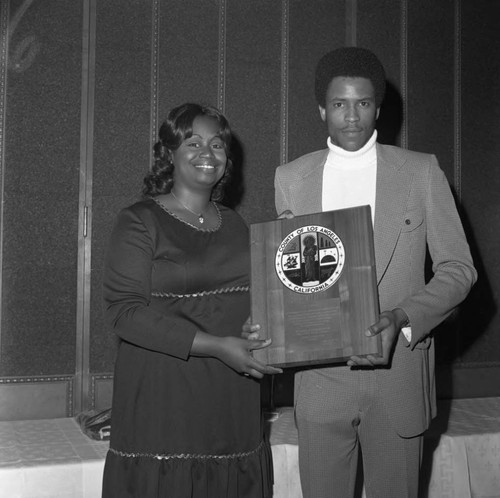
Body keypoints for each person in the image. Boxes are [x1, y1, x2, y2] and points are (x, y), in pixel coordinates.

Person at [273, 47, 477, 498]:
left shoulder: (421, 172)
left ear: (379, 108)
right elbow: (291, 276)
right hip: (321, 380)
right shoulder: (291, 177)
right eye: (340, 104)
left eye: (363, 103)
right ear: (322, 109)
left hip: (399, 375)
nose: (352, 116)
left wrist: (402, 318)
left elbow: (459, 269)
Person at [101, 102, 281, 498]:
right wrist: (216, 346)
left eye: (217, 145)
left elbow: (251, 297)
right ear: (170, 154)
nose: (207, 154)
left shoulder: (235, 223)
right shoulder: (139, 220)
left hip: (232, 392)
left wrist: (258, 326)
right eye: (193, 143)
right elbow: (124, 313)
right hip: (165, 392)